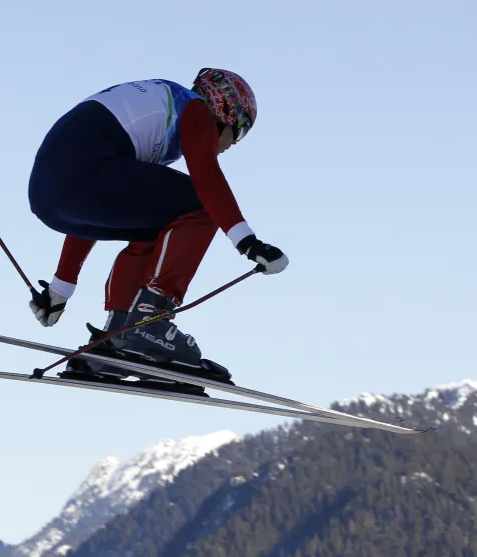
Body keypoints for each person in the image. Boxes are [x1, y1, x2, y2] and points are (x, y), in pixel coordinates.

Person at [25, 68, 288, 378]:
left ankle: (119, 335)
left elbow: (89, 202)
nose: (234, 143)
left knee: (161, 223)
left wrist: (61, 287)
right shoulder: (195, 109)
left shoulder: (159, 115)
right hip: (84, 175)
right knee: (200, 204)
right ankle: (151, 324)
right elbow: (207, 176)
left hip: (48, 197)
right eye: (241, 130)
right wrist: (248, 241)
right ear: (225, 109)